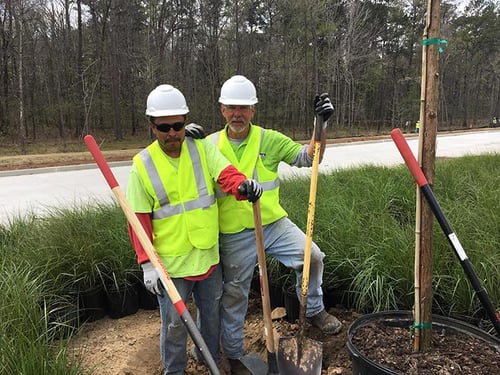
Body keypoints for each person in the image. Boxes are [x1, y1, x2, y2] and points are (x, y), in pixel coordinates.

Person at [125, 84, 263, 375]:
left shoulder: (201, 150)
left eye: (178, 125)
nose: (172, 133)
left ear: (185, 120)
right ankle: (173, 371)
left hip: (207, 256)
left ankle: (208, 359)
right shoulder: (142, 165)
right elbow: (137, 220)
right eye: (165, 127)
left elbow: (226, 174)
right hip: (171, 265)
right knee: (175, 325)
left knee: (211, 316)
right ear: (152, 126)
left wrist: (242, 185)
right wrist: (147, 263)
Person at [210, 75, 342, 373]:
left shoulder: (269, 139)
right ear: (222, 110)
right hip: (234, 233)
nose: (237, 114)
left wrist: (320, 124)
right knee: (235, 294)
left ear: (253, 110)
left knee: (313, 256)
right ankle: (233, 353)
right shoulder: (209, 146)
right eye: (231, 108)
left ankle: (314, 309)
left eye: (243, 108)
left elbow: (309, 158)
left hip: (272, 224)